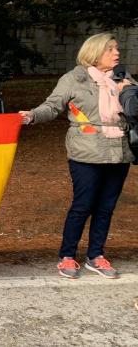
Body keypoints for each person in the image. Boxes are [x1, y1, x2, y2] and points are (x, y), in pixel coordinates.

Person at [19, 33, 134, 280]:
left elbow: (134, 112)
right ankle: (67, 255)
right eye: (110, 49)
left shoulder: (123, 78)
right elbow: (52, 106)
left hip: (119, 152)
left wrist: (127, 92)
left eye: (116, 49)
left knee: (106, 207)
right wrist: (31, 115)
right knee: (83, 206)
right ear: (94, 53)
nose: (117, 53)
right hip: (86, 152)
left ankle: (96, 255)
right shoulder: (74, 79)